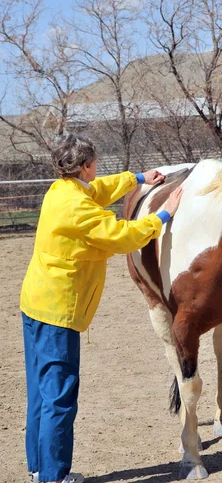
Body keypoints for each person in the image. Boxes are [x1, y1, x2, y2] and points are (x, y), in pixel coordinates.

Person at [20, 133, 183, 483]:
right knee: (60, 396)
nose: (96, 170)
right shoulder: (77, 207)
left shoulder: (63, 190)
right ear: (86, 166)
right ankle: (53, 477)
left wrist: (139, 179)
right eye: (94, 164)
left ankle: (39, 468)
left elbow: (100, 189)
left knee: (41, 391)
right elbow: (121, 236)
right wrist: (164, 215)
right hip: (57, 312)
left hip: (36, 303)